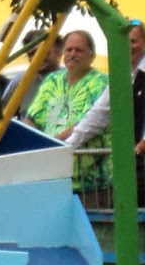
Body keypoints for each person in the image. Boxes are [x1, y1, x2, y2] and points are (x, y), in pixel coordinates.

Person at [65, 20, 145, 207]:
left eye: (133, 41)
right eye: (124, 42)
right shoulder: (121, 74)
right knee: (138, 202)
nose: (128, 46)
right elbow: (99, 114)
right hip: (139, 158)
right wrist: (70, 144)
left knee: (140, 198)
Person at [25, 30, 111, 207]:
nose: (72, 54)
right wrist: (32, 142)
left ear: (92, 55)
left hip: (90, 183)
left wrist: (51, 144)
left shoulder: (101, 83)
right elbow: (32, 118)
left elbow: (84, 124)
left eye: (79, 50)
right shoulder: (52, 80)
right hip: (53, 178)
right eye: (69, 49)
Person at [3, 33, 64, 116]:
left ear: (59, 53)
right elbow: (2, 112)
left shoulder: (74, 79)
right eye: (31, 54)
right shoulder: (21, 80)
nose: (37, 57)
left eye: (43, 52)